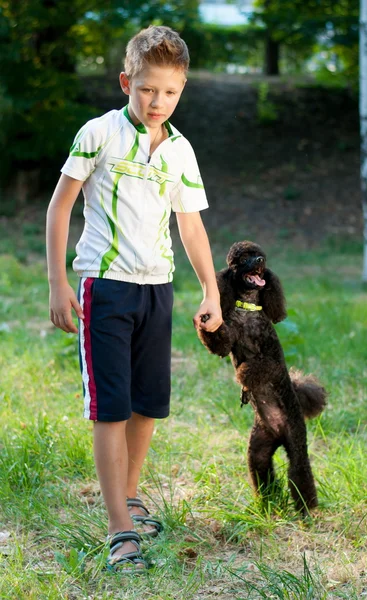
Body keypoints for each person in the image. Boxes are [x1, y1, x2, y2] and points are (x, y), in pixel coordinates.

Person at [46, 25, 222, 572]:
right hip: (106, 286)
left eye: (169, 92)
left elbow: (190, 227)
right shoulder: (99, 133)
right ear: (127, 82)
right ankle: (118, 528)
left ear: (182, 91)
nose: (157, 101)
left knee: (147, 403)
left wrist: (211, 288)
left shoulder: (181, 150)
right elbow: (59, 209)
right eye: (148, 89)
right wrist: (57, 283)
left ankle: (130, 493)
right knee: (111, 407)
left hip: (157, 288)